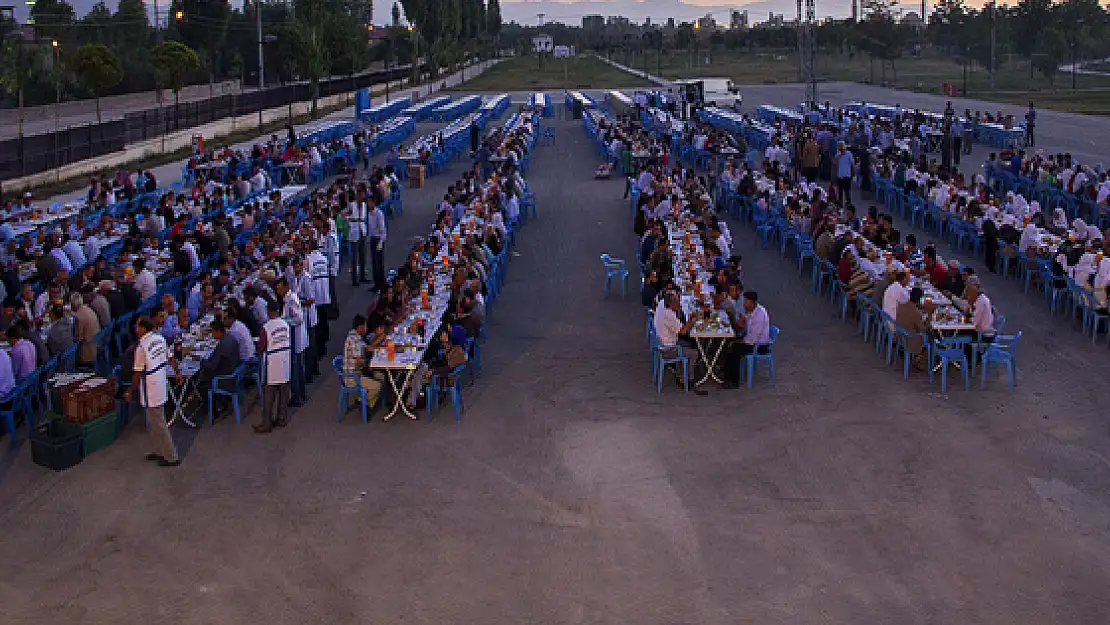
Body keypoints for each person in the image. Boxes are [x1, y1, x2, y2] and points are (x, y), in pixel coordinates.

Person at [125, 316, 181, 467]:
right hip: (161, 379)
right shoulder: (160, 339)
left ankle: (171, 456)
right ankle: (159, 450)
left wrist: (130, 390)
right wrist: (177, 373)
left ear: (143, 328)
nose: (136, 329)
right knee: (152, 420)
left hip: (151, 385)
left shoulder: (141, 348)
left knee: (159, 421)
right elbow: (171, 358)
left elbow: (137, 373)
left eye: (137, 326)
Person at [653, 291, 707, 395]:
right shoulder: (669, 315)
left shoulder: (662, 304)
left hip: (663, 340)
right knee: (694, 353)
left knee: (690, 343)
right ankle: (688, 380)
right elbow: (683, 331)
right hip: (669, 348)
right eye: (678, 303)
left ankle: (681, 374)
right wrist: (692, 319)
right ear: (672, 304)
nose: (680, 305)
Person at [256, 299, 291, 433]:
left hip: (272, 362)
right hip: (285, 359)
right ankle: (282, 418)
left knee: (269, 395)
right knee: (284, 392)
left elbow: (261, 347)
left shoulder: (267, 327)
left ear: (269, 312)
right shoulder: (285, 324)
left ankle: (266, 423)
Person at [195, 319, 242, 419]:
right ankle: (219, 403)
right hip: (233, 371)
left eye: (212, 331)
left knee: (201, 383)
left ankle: (212, 410)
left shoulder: (223, 345)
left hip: (225, 379)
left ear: (218, 331)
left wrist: (201, 361)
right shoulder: (230, 338)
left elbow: (212, 366)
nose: (211, 334)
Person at [723, 291, 771, 387]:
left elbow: (751, 340)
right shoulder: (750, 311)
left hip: (759, 345)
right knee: (728, 341)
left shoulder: (759, 316)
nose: (744, 304)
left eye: (746, 302)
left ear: (753, 303)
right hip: (751, 339)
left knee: (735, 348)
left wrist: (737, 341)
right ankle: (727, 371)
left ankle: (733, 381)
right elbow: (744, 328)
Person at [276, 277, 307, 407]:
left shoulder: (292, 299)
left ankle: (297, 396)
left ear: (286, 287)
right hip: (293, 337)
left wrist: (283, 322)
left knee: (295, 369)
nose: (278, 291)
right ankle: (300, 393)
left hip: (296, 338)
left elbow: (298, 318)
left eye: (280, 288)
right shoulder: (286, 299)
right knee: (297, 368)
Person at [342, 314, 383, 408]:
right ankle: (362, 402)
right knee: (377, 386)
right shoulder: (353, 340)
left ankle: (366, 402)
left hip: (357, 372)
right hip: (352, 377)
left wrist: (380, 349)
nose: (366, 328)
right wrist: (371, 363)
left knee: (381, 376)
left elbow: (368, 348)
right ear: (360, 327)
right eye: (365, 326)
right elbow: (359, 361)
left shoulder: (356, 336)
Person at [895, 287, 931, 370]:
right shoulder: (915, 313)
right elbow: (923, 329)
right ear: (919, 300)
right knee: (930, 336)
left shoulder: (902, 305)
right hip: (910, 339)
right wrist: (929, 315)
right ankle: (920, 361)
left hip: (900, 336)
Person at [366, 200, 388, 292]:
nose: (369, 204)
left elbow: (382, 228)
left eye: (370, 203)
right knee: (374, 263)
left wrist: (381, 241)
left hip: (378, 238)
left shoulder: (379, 214)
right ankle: (377, 284)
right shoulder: (369, 214)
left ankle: (381, 284)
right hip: (373, 238)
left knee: (378, 263)